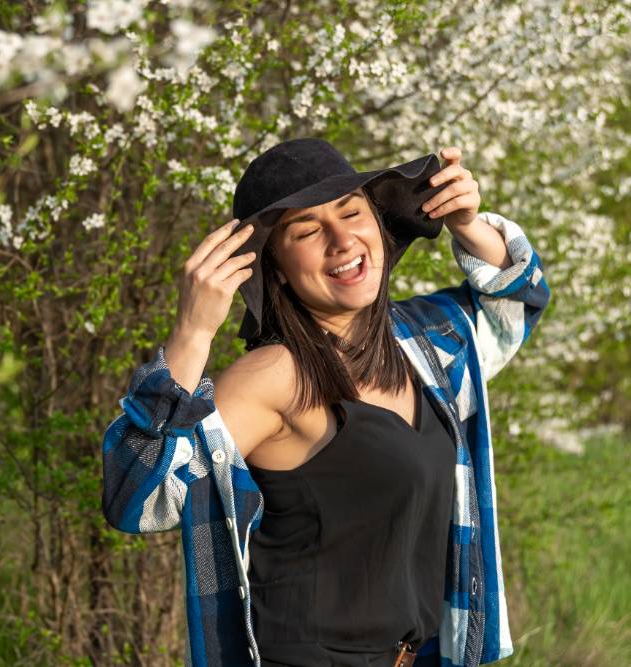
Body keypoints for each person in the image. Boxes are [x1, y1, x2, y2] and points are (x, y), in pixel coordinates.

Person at [101, 138, 550, 667]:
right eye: (308, 231)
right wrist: (191, 333)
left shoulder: (423, 343)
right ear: (277, 269)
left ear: (380, 228)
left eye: (352, 212)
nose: (342, 240)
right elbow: (137, 500)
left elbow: (514, 302)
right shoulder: (273, 379)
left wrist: (468, 223)